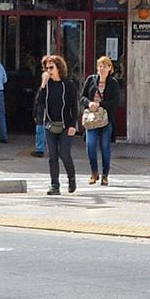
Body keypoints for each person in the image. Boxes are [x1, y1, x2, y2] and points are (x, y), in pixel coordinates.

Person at [34, 55, 81, 195]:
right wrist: (43, 84)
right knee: (52, 156)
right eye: (47, 68)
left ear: (59, 68)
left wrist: (73, 125)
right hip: (50, 125)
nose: (49, 71)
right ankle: (55, 185)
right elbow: (39, 101)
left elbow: (74, 106)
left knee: (64, 154)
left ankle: (71, 178)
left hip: (66, 125)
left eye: (51, 67)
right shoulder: (47, 85)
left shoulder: (68, 85)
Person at [81, 56, 121, 186]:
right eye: (100, 66)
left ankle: (105, 175)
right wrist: (89, 103)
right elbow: (82, 97)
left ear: (110, 68)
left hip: (105, 119)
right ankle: (94, 172)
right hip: (92, 119)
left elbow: (115, 101)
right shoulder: (91, 80)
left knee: (105, 146)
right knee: (90, 145)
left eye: (105, 66)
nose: (102, 69)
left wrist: (101, 104)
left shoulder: (113, 83)